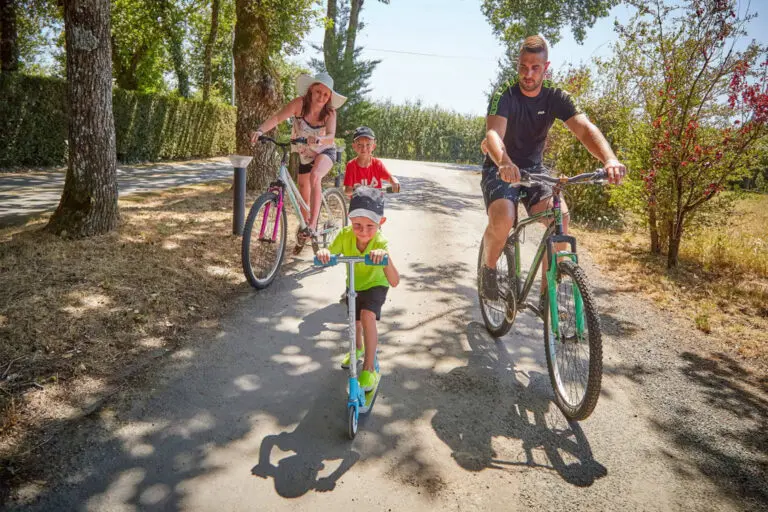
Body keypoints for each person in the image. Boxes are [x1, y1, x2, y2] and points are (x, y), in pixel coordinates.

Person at [480, 35, 626, 307]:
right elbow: (493, 134)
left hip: (534, 170)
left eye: (535, 67)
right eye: (523, 66)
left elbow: (584, 129)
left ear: (546, 68)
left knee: (561, 218)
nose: (528, 74)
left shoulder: (556, 97)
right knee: (504, 219)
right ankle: (488, 269)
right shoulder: (505, 95)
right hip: (500, 167)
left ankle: (548, 293)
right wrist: (504, 162)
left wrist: (609, 159)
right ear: (518, 65)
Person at [316, 187, 400, 391]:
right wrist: (324, 252)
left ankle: (369, 368)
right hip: (354, 283)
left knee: (366, 316)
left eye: (370, 226)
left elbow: (395, 280)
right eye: (357, 225)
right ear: (350, 222)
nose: (363, 232)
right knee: (354, 320)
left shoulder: (380, 241)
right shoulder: (345, 235)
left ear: (381, 223)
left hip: (376, 283)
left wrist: (383, 257)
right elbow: (330, 251)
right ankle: (358, 349)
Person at [250, 72, 346, 250]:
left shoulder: (330, 112)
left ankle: (312, 224)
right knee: (303, 191)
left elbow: (331, 136)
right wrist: (261, 130)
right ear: (311, 90)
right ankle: (304, 228)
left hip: (324, 151)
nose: (321, 97)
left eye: (326, 94)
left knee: (315, 176)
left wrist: (319, 140)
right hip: (305, 152)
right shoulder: (299, 104)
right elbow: (278, 117)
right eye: (318, 92)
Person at [343, 126, 401, 198]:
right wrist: (356, 189)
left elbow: (390, 177)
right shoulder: (351, 165)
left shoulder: (377, 164)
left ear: (373, 146)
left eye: (368, 145)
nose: (364, 148)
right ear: (354, 146)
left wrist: (395, 182)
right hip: (358, 204)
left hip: (375, 203)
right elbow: (347, 191)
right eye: (359, 145)